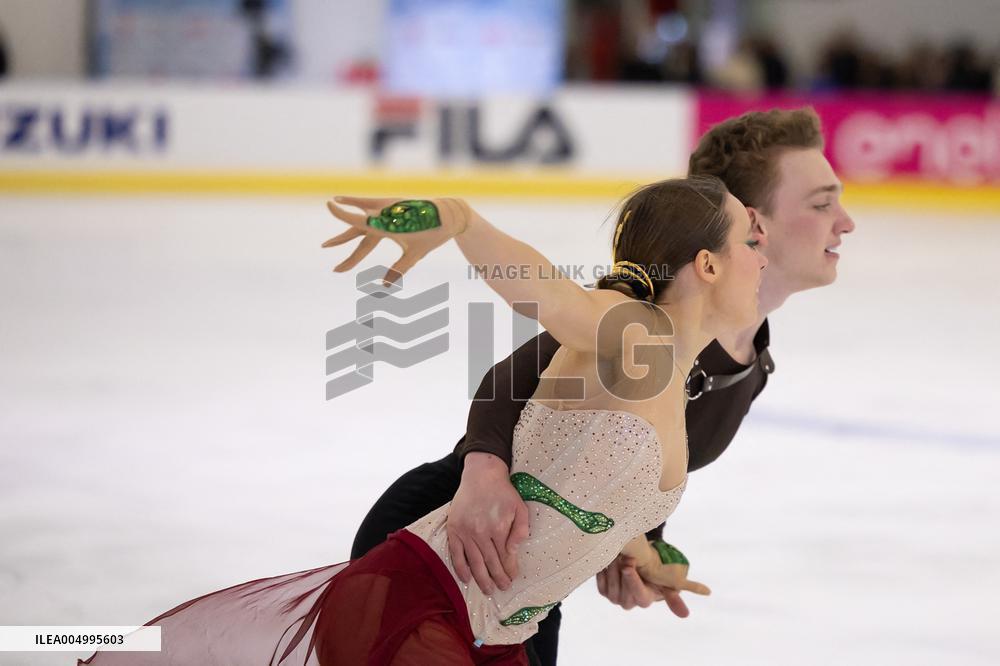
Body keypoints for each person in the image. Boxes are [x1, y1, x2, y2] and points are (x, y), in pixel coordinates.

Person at [81, 176, 757, 665]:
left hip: (496, 637)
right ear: (706, 265)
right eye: (752, 241)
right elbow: (548, 294)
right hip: (418, 601)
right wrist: (463, 221)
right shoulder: (635, 332)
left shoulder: (672, 373)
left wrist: (646, 558)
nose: (764, 257)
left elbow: (591, 498)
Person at [350, 106, 856, 666]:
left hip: (518, 605)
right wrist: (483, 466)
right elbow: (539, 324)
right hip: (455, 548)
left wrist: (642, 553)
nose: (847, 221)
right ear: (745, 233)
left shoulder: (748, 364)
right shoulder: (637, 327)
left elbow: (621, 483)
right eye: (821, 203)